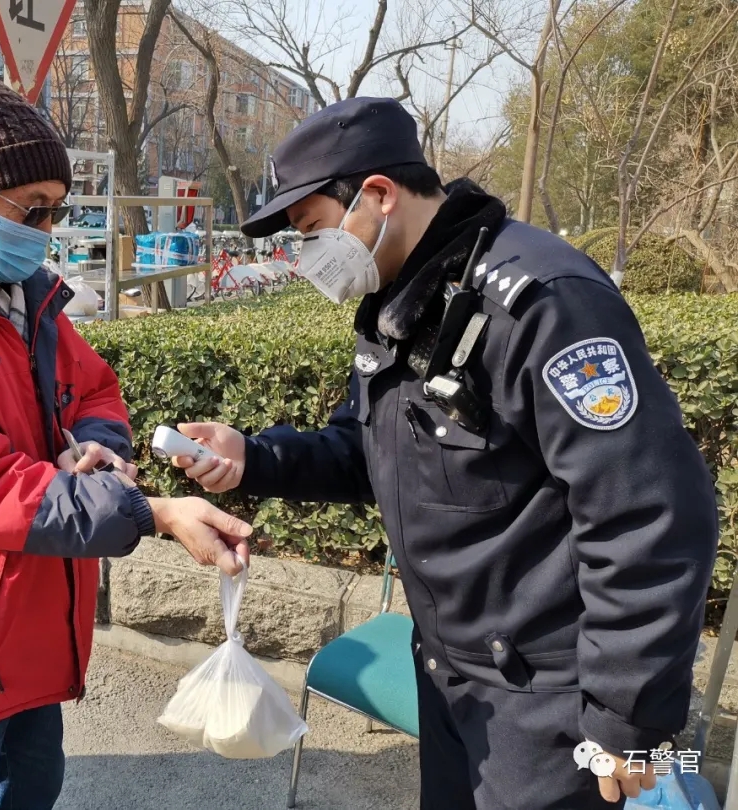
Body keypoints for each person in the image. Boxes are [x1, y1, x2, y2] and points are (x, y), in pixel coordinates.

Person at [173, 98, 718, 809]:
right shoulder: (402, 304)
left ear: (377, 195)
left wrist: (626, 715)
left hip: (550, 702)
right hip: (447, 674)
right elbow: (364, 451)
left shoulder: (540, 303)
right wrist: (255, 456)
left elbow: (650, 514)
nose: (306, 259)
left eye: (310, 231)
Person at [0, 62, 251, 810]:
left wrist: (92, 446)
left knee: (32, 787)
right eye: (32, 209)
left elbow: (92, 387)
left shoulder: (30, 298)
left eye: (56, 211)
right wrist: (151, 512)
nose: (47, 232)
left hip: (30, 619)